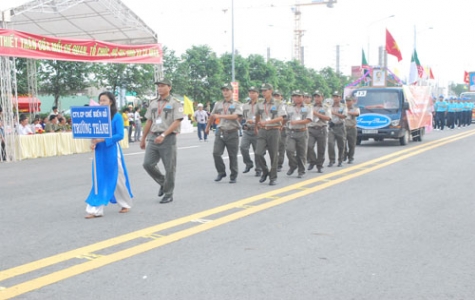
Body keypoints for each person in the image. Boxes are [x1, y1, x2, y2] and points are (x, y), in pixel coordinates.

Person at [84, 91, 133, 219]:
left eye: (104, 100)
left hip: (111, 150)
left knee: (118, 178)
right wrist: (93, 142)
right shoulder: (97, 116)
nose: (101, 103)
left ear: (111, 101)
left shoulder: (116, 116)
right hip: (99, 151)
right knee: (100, 178)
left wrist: (103, 140)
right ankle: (95, 209)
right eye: (100, 100)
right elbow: (93, 133)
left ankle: (125, 203)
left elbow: (120, 135)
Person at [141, 78, 183, 204]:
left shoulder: (175, 103)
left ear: (169, 87)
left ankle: (168, 194)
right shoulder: (153, 103)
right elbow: (149, 121)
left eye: (162, 86)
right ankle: (163, 182)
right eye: (158, 86)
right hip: (153, 137)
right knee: (147, 164)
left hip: (168, 138)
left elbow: (177, 121)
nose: (159, 88)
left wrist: (164, 135)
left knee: (169, 167)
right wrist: (143, 138)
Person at [205, 83, 243, 183]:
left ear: (232, 91)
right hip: (220, 131)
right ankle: (221, 172)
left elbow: (236, 116)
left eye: (227, 90)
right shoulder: (218, 104)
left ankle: (233, 175)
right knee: (216, 153)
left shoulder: (237, 104)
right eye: (223, 90)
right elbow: (212, 116)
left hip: (232, 132)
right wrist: (207, 127)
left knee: (232, 155)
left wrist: (220, 116)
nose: (225, 92)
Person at [255, 83, 286, 186]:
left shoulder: (278, 103)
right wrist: (256, 126)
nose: (263, 92)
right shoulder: (260, 103)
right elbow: (258, 116)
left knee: (273, 154)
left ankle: (273, 177)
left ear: (270, 91)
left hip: (274, 130)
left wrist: (267, 122)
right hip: (263, 130)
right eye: (262, 91)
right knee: (258, 153)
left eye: (265, 90)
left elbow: (281, 117)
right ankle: (265, 171)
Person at [285, 90, 313, 178]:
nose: (296, 98)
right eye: (294, 96)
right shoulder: (288, 107)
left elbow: (309, 119)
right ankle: (293, 165)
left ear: (303, 97)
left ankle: (301, 170)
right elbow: (284, 117)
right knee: (289, 150)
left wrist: (297, 122)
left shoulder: (308, 107)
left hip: (302, 131)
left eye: (298, 96)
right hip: (291, 132)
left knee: (302, 153)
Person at [240, 86, 262, 177]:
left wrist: (255, 122)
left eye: (254, 92)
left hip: (258, 130)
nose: (251, 94)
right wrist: (244, 123)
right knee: (243, 147)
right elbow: (243, 117)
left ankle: (258, 168)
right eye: (250, 92)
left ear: (257, 94)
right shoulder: (245, 105)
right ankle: (248, 163)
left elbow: (264, 117)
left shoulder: (261, 105)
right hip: (247, 130)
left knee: (257, 151)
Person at [307, 90, 331, 173]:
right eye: (315, 96)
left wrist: (316, 114)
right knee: (309, 146)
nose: (316, 98)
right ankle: (312, 161)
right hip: (311, 128)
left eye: (318, 96)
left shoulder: (326, 107)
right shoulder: (309, 106)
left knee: (321, 149)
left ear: (322, 97)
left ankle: (319, 165)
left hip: (321, 129)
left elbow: (328, 118)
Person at [327, 91, 347, 167]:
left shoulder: (343, 106)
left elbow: (344, 116)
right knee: (330, 144)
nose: (335, 98)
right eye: (334, 97)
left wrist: (334, 113)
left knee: (341, 145)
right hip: (332, 127)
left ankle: (340, 160)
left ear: (340, 98)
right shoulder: (329, 106)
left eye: (337, 97)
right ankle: (331, 160)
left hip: (340, 126)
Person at [272, 90, 287, 172]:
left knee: (281, 148)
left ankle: (279, 164)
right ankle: (274, 163)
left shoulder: (285, 106)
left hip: (282, 129)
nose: (276, 97)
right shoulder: (271, 105)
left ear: (281, 97)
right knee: (274, 148)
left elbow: (286, 117)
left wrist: (281, 125)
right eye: (275, 96)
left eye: (278, 96)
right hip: (273, 128)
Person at [344, 95, 360, 164]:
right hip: (344, 128)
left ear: (352, 101)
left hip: (352, 128)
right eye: (347, 101)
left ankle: (350, 158)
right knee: (342, 144)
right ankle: (344, 155)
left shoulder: (355, 108)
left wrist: (348, 112)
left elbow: (357, 113)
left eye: (349, 101)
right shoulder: (343, 108)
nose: (348, 102)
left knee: (352, 144)